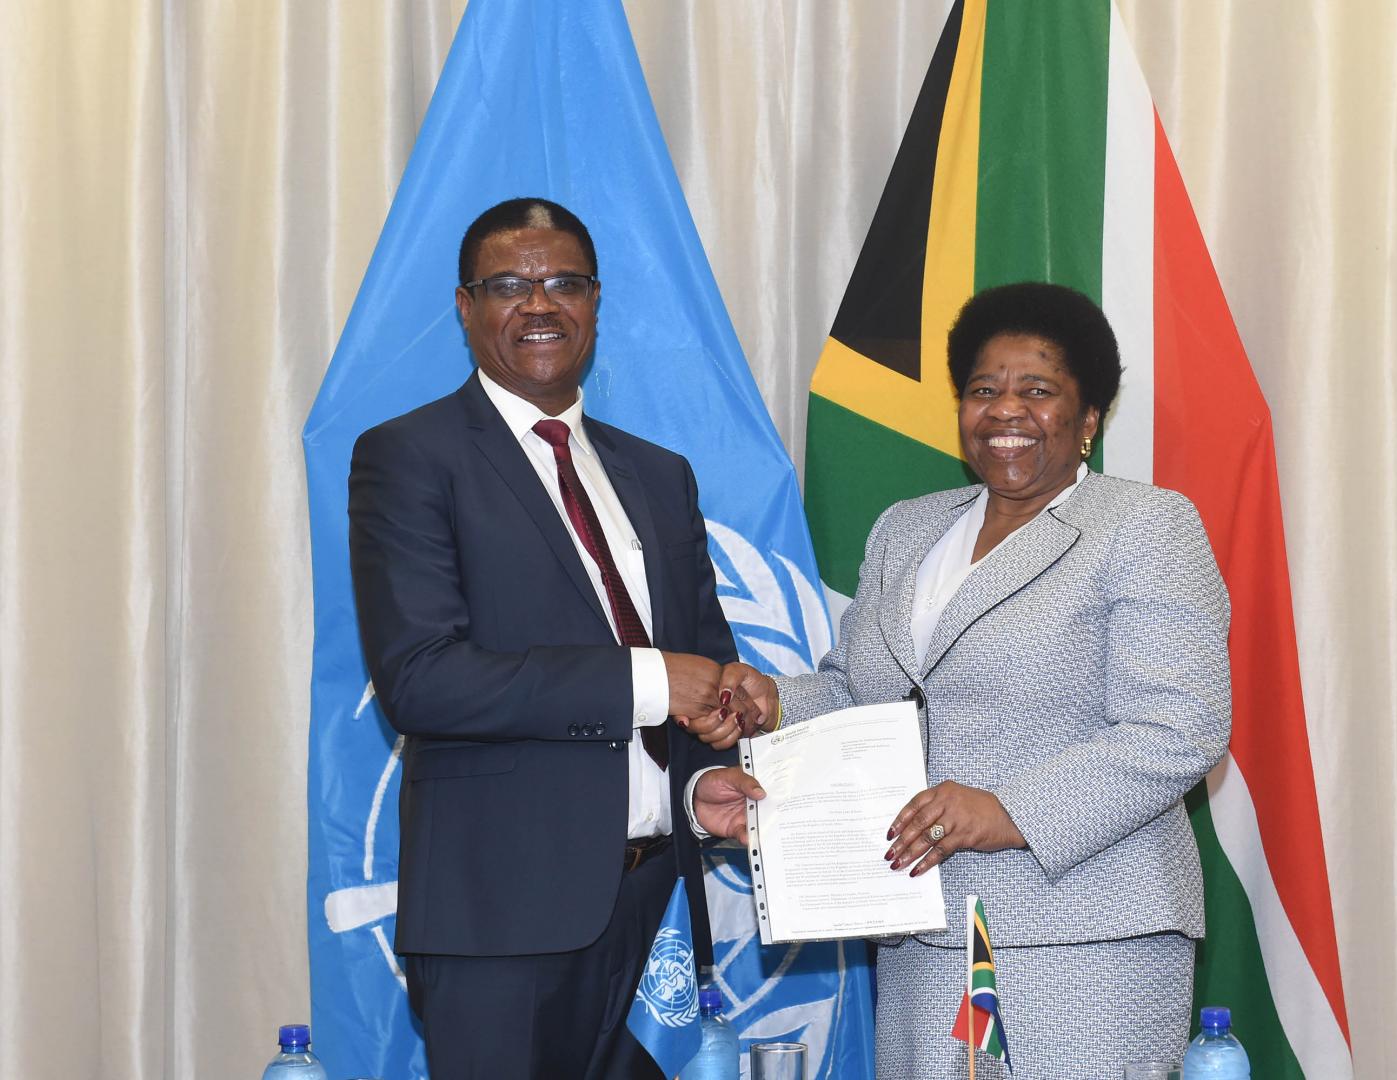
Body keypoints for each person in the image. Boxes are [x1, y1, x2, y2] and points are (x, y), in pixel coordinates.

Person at [707, 282, 1232, 1078]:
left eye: (1038, 390)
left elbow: (1178, 729)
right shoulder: (908, 528)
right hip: (919, 928)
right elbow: (861, 694)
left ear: (1089, 419)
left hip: (1083, 934)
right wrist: (774, 701)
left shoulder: (1146, 525)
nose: (1005, 410)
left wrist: (1006, 812)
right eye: (983, 389)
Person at [348, 197, 763, 1079]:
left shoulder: (658, 473)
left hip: (658, 910)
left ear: (597, 300)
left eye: (563, 283)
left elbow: (704, 672)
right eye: (509, 284)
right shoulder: (410, 457)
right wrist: (650, 683)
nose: (540, 305)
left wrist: (710, 760)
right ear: (465, 306)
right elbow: (423, 681)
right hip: (500, 922)